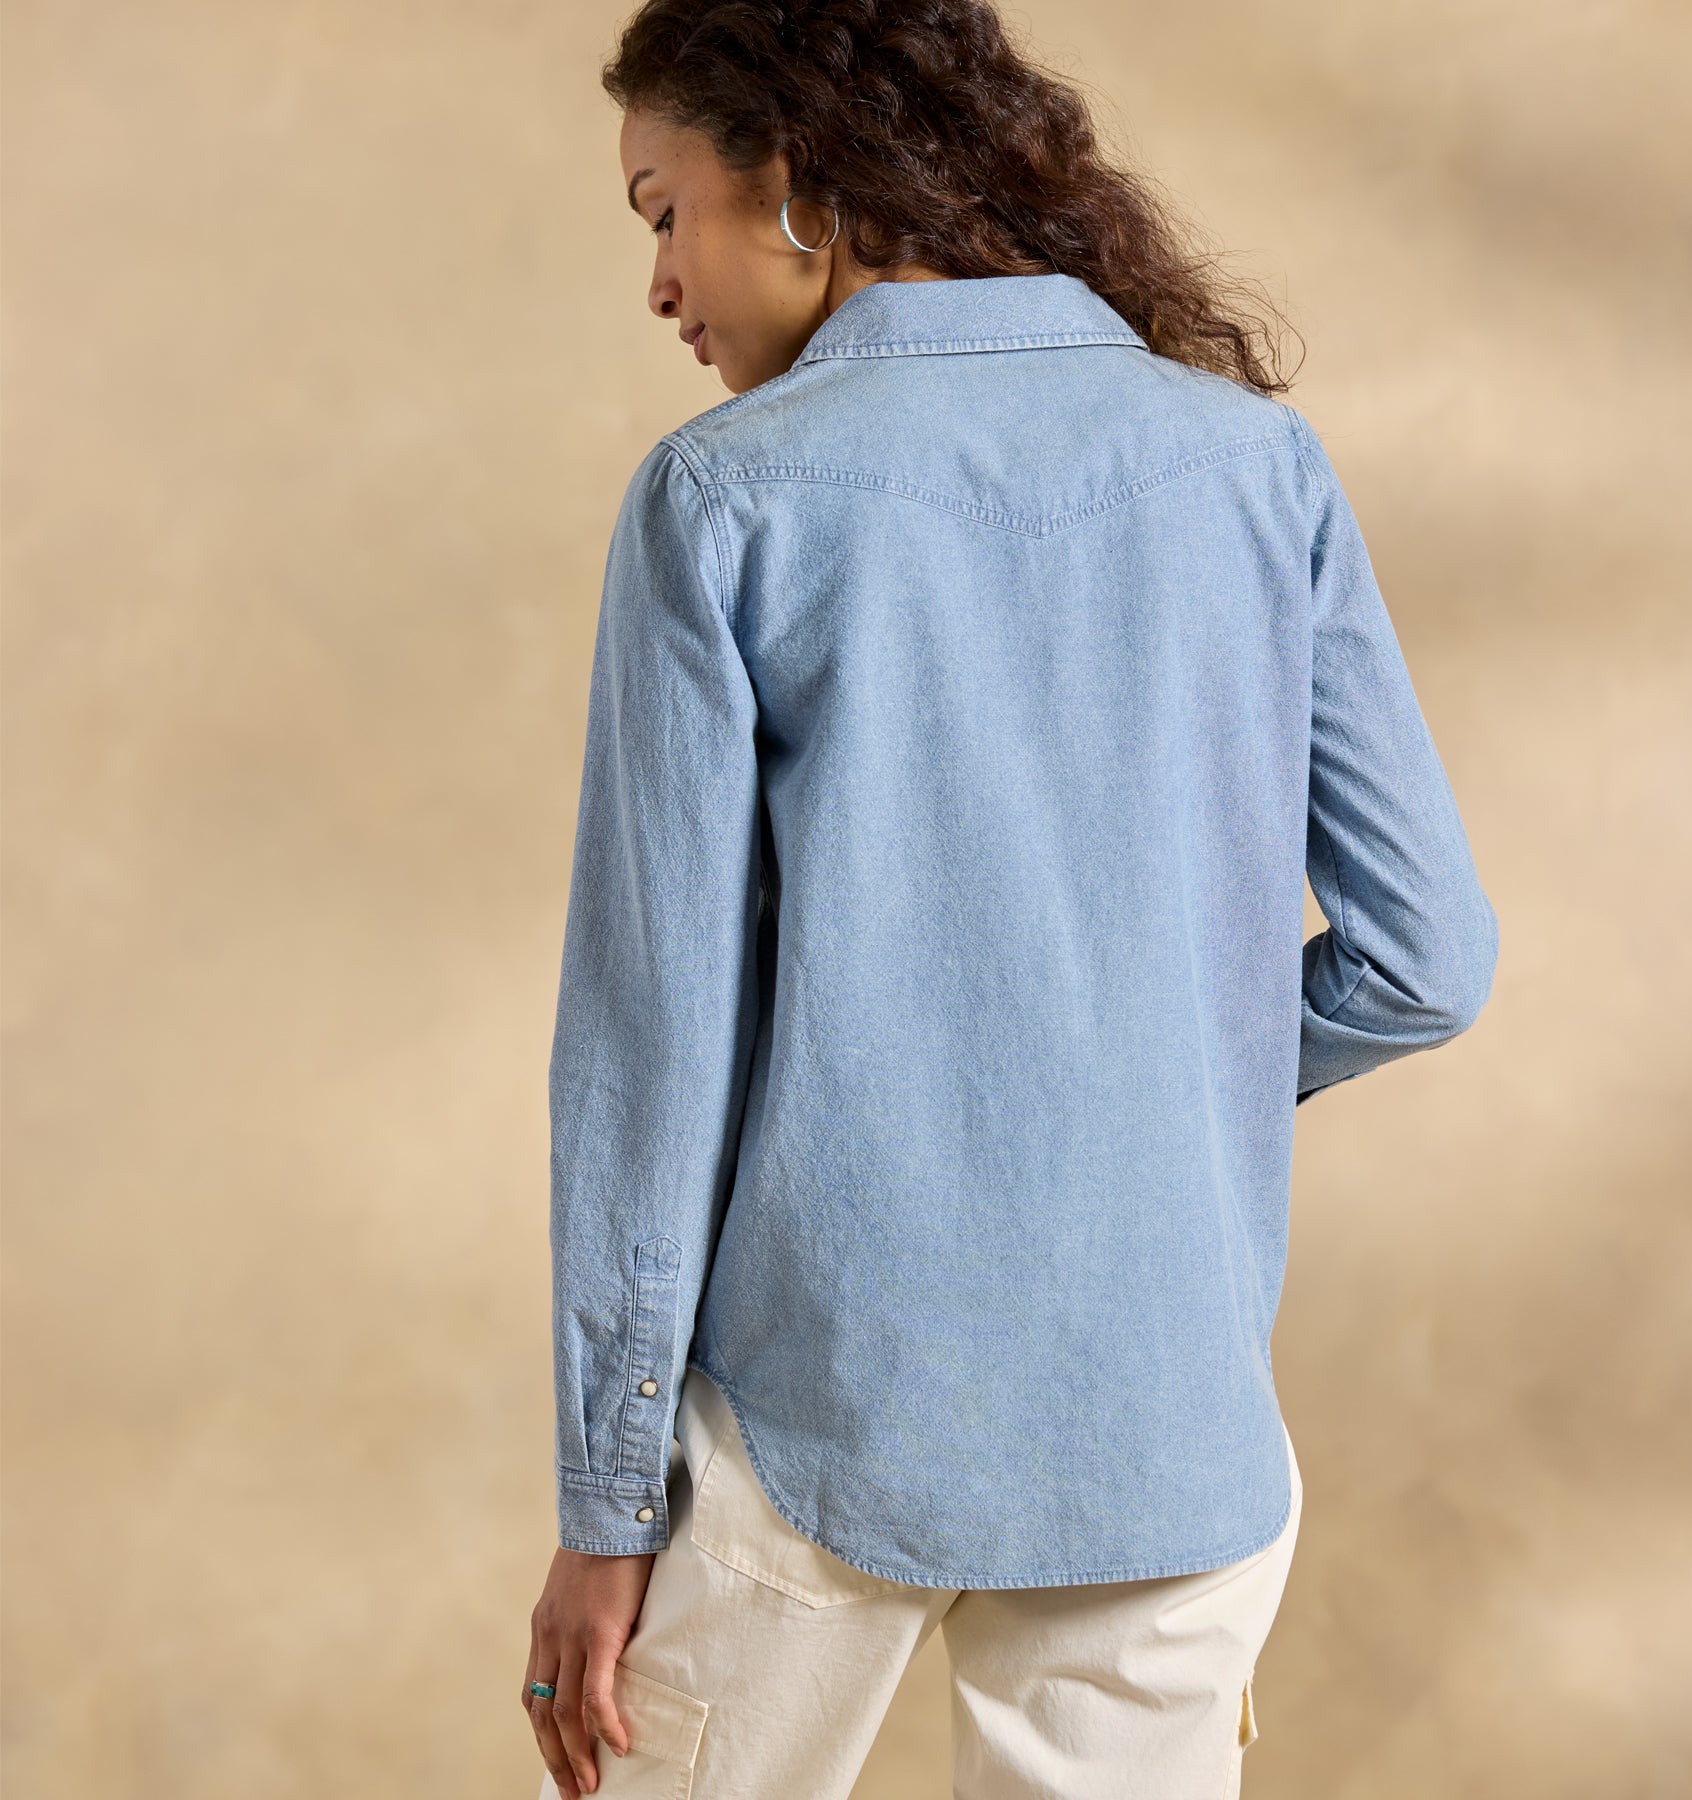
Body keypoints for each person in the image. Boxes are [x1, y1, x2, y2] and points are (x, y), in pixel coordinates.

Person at [523, 3, 1500, 1796]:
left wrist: (607, 1507)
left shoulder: (725, 501)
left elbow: (649, 1059)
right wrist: (1166, 1088)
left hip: (824, 1404)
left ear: (795, 172)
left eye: (664, 211)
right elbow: (1427, 958)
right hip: (1169, 1430)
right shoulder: (1255, 465)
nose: (658, 282)